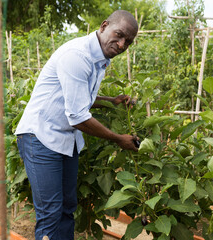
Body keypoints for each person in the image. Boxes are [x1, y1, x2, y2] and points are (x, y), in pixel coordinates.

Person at [15, 10, 139, 240]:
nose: (122, 45)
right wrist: (118, 138)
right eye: (119, 35)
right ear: (103, 26)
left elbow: (81, 98)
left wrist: (111, 102)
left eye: (128, 42)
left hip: (64, 139)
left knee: (67, 208)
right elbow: (78, 116)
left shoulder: (99, 58)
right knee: (50, 214)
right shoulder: (78, 56)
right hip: (40, 136)